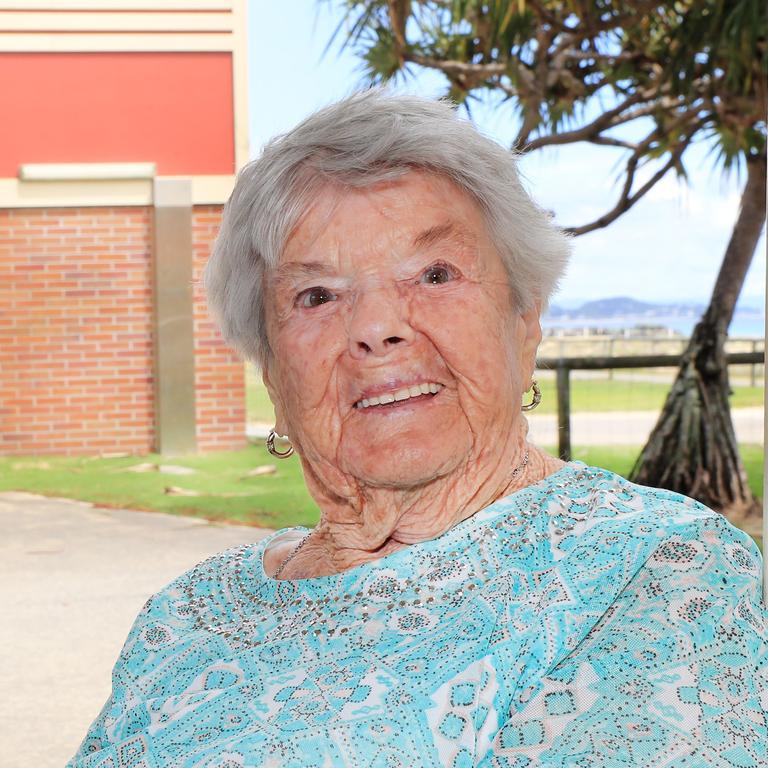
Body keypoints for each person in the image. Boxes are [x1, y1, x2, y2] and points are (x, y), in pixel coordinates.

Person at [68, 91, 766, 768]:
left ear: (524, 326)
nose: (376, 328)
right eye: (316, 295)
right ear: (273, 372)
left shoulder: (659, 571)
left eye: (434, 274)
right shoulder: (187, 615)